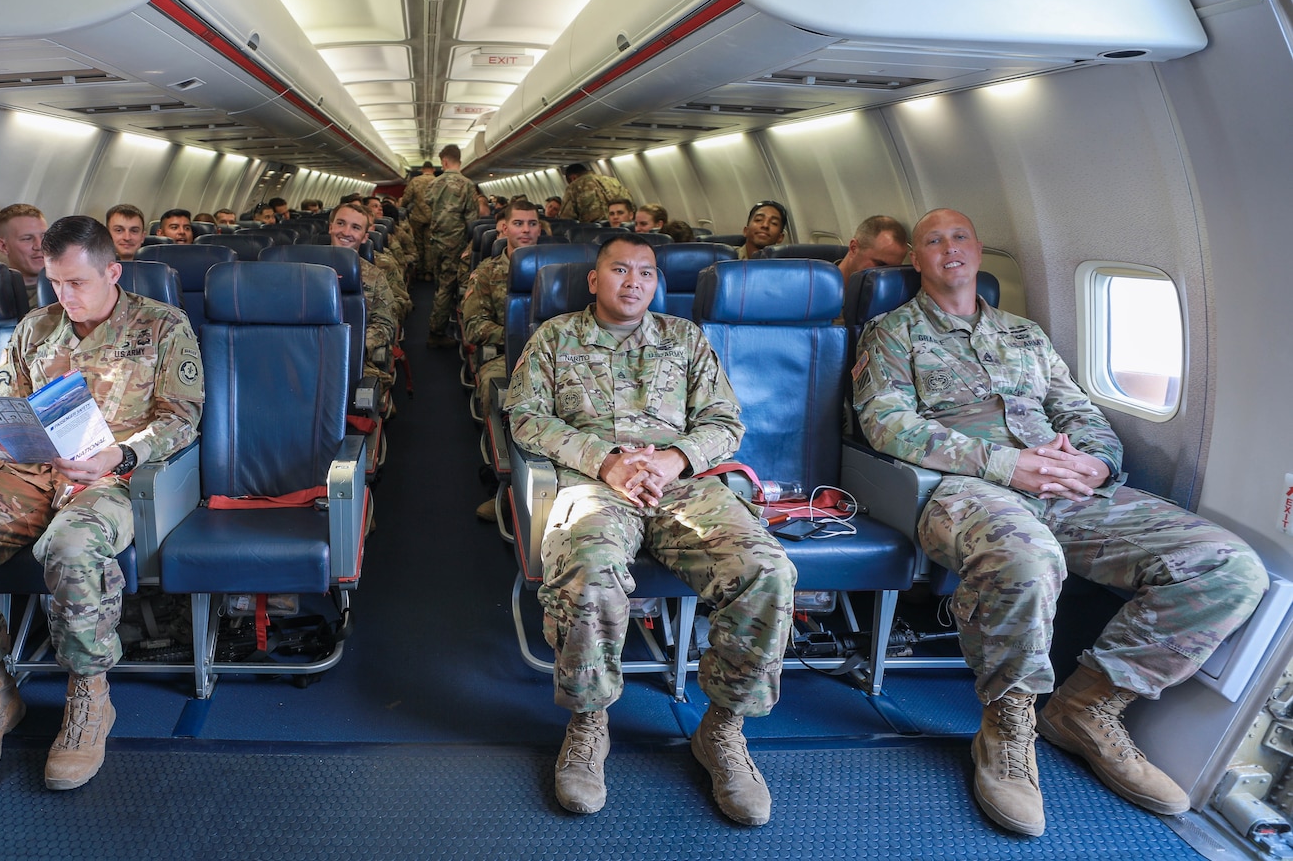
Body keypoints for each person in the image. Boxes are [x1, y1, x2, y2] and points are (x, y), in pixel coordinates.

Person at [853, 208, 1266, 838]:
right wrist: (1007, 464)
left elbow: (1077, 408)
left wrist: (1096, 464)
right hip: (962, 487)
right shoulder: (893, 333)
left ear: (979, 248)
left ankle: (1089, 707)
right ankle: (1008, 724)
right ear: (916, 259)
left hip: (1063, 483)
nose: (949, 249)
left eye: (960, 236)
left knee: (1229, 567)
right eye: (933, 241)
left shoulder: (1025, 334)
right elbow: (888, 424)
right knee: (1029, 558)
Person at [506, 235, 794, 825]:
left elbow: (725, 420)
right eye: (619, 269)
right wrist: (606, 460)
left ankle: (722, 730)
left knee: (767, 571)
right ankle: (589, 724)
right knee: (589, 570)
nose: (633, 282)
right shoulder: (555, 338)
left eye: (646, 272)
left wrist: (674, 459)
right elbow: (526, 417)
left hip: (681, 484)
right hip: (593, 483)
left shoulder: (683, 339)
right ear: (594, 279)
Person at [0, 215, 203, 792]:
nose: (63, 296)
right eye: (54, 283)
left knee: (71, 548)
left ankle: (89, 699)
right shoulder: (35, 327)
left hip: (108, 479)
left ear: (112, 272)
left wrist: (120, 456)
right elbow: (1, 404)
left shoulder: (162, 325)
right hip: (26, 474)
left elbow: (181, 418)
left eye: (76, 283)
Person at [461, 199, 541, 521]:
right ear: (503, 228)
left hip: (561, 355)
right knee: (504, 396)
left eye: (532, 223)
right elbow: (473, 326)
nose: (526, 230)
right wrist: (514, 337)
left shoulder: (562, 269)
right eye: (519, 223)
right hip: (507, 354)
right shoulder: (486, 273)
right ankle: (508, 487)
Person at [326, 201, 399, 384]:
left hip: (353, 359)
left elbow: (385, 325)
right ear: (330, 227)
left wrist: (355, 344)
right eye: (341, 223)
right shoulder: (304, 269)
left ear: (365, 237)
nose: (346, 232)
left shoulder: (375, 276)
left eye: (355, 227)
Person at [425, 145, 475, 349]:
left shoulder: (434, 183)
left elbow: (429, 203)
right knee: (447, 287)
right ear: (458, 160)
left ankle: (441, 322)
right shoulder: (468, 185)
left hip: (436, 241)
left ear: (444, 162)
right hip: (456, 243)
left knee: (440, 284)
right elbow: (472, 218)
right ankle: (436, 332)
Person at [0, 203, 46, 302]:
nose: (39, 246)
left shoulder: (68, 289)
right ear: (3, 247)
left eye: (44, 236)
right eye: (27, 238)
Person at [836, 215, 909, 284]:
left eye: (894, 269)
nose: (886, 275)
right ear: (853, 248)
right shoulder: (825, 288)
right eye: (880, 264)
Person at [561, 163, 626, 223]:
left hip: (593, 230)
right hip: (620, 226)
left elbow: (566, 218)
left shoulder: (574, 186)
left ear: (573, 178)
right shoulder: (613, 181)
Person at [405, 163, 437, 282]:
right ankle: (429, 272)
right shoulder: (438, 181)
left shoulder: (415, 181)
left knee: (418, 244)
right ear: (433, 169)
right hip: (433, 219)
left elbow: (407, 198)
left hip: (417, 218)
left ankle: (419, 272)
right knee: (430, 245)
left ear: (422, 170)